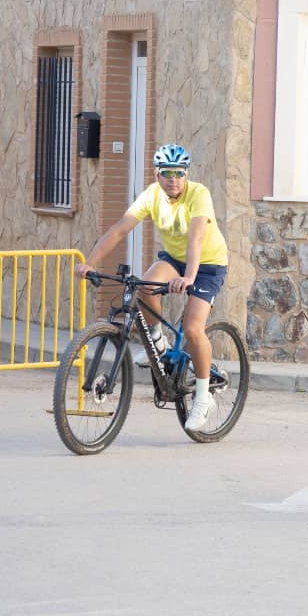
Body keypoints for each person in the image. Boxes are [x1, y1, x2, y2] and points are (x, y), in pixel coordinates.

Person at [75, 143, 229, 433]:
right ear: (157, 174)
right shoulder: (151, 195)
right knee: (145, 285)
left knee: (193, 328)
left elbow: (196, 238)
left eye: (179, 173)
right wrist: (89, 263)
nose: (174, 179)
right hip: (174, 259)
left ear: (186, 174)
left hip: (208, 264)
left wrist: (189, 277)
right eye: (167, 173)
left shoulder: (199, 194)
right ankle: (157, 343)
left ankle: (203, 397)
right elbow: (119, 229)